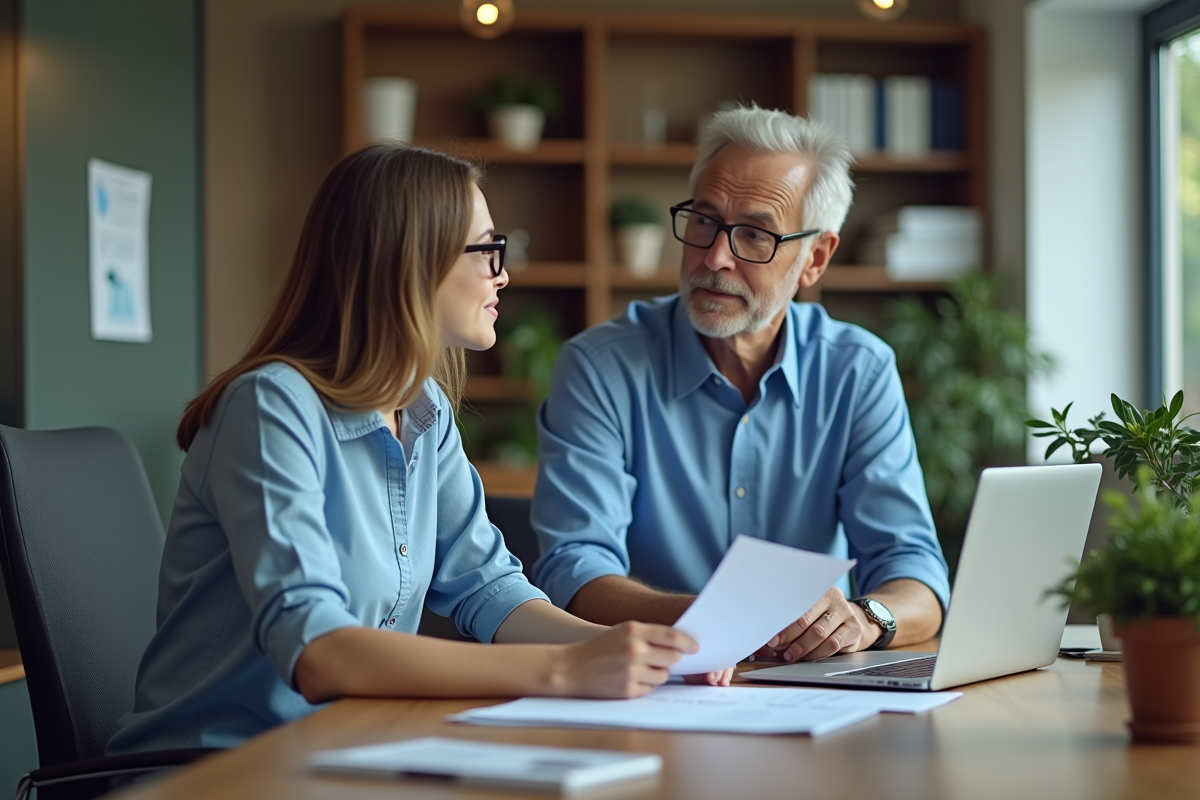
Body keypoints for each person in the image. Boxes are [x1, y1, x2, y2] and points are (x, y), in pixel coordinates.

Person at [107, 145, 708, 756]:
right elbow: (318, 650)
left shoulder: (424, 409)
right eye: (487, 250)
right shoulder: (270, 408)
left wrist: (640, 654)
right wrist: (564, 670)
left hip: (346, 752)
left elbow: (488, 589)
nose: (502, 274)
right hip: (215, 769)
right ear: (412, 264)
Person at [532, 106, 949, 665]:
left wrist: (865, 619)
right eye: (703, 221)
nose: (715, 257)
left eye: (755, 235)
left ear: (815, 259)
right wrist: (723, 623)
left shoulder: (859, 370)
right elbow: (574, 571)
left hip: (814, 684)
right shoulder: (600, 366)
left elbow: (915, 569)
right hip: (652, 682)